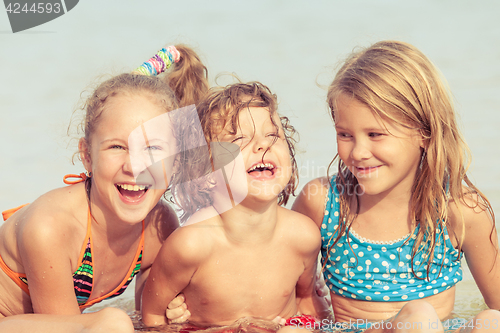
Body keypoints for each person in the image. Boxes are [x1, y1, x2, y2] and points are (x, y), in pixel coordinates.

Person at [291, 40, 500, 332]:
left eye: (375, 134)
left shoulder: (460, 210)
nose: (358, 151)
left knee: (492, 320)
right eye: (345, 134)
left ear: (424, 133)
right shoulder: (324, 203)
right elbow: (293, 296)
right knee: (419, 318)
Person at [0, 44, 209, 333]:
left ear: (175, 162)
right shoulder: (51, 227)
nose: (135, 166)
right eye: (117, 146)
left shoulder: (158, 227)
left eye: (152, 149)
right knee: (112, 322)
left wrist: (174, 310)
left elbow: (150, 319)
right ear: (87, 155)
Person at [141, 82, 330, 329]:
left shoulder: (303, 237)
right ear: (206, 172)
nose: (263, 145)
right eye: (240, 139)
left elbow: (308, 304)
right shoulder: (191, 245)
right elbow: (152, 316)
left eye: (273, 135)